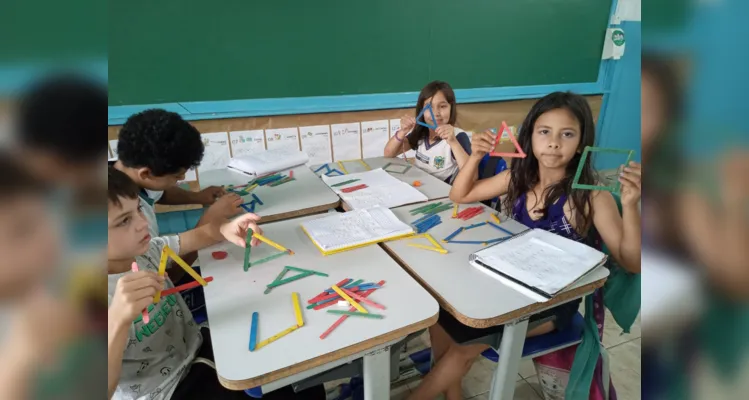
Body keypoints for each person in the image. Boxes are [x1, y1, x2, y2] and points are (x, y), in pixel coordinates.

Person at [408, 92, 642, 400]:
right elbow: (460, 196)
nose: (554, 143)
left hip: (551, 303)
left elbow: (632, 263)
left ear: (582, 142)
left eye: (567, 134)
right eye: (544, 132)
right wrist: (476, 157)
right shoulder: (518, 178)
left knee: (463, 346)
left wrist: (632, 206)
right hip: (508, 283)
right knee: (442, 319)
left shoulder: (592, 197)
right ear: (530, 136)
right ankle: (453, 395)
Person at [107, 167, 324, 399]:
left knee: (299, 377)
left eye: (139, 209)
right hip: (168, 391)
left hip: (199, 350)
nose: (142, 223)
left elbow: (200, 235)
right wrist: (117, 319)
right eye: (124, 221)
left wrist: (226, 228)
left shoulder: (146, 251)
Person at [383, 81, 472, 183]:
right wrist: (402, 132)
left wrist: (453, 142)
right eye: (429, 107)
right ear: (422, 110)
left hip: (440, 192)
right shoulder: (422, 133)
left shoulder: (458, 137)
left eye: (442, 106)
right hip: (418, 186)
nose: (436, 113)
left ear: (451, 108)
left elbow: (471, 176)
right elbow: (388, 153)